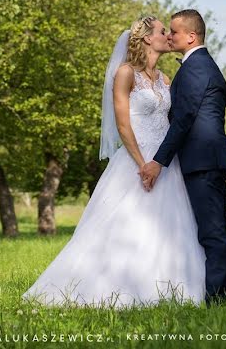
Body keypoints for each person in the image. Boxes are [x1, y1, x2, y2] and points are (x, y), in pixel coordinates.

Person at [22, 16, 206, 308]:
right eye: (162, 32)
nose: (168, 37)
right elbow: (123, 125)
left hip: (164, 161)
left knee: (170, 224)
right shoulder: (125, 74)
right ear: (147, 38)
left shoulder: (165, 79)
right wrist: (142, 163)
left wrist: (160, 160)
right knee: (124, 223)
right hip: (136, 159)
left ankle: (166, 287)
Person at [140, 9, 226, 306]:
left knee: (212, 232)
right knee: (221, 228)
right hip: (209, 159)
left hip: (203, 160)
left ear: (191, 36)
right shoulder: (198, 65)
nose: (170, 36)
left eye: (174, 31)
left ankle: (215, 299)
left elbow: (184, 119)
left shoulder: (196, 67)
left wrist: (158, 161)